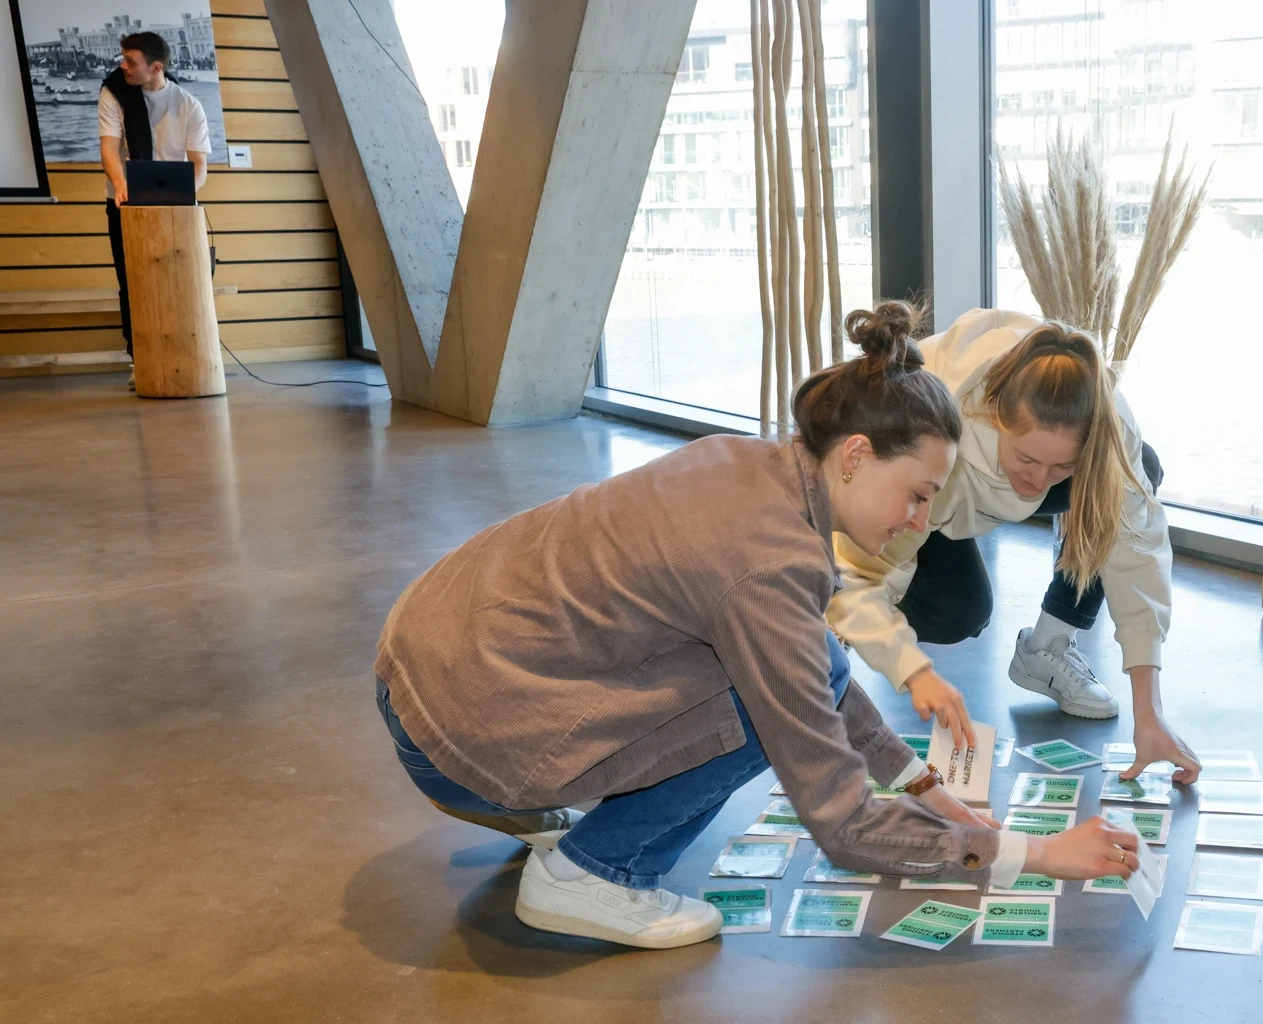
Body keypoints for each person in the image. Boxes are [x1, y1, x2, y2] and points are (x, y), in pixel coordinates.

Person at [373, 304, 1143, 949]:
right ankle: (589, 876)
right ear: (854, 456)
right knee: (757, 709)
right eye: (915, 495)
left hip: (423, 671)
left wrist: (925, 787)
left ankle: (558, 820)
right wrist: (1034, 853)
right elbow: (840, 825)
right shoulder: (770, 567)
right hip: (463, 736)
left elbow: (816, 663)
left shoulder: (745, 463)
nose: (919, 522)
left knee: (795, 658)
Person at [828, 307, 1202, 784]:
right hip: (934, 487)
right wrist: (908, 667)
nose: (1040, 482)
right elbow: (863, 571)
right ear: (996, 414)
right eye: (1027, 458)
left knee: (1137, 471)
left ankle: (1046, 648)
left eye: (1061, 467)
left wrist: (1149, 714)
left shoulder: (1106, 427)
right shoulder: (935, 419)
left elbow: (1137, 553)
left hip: (963, 485)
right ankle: (836, 638)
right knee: (959, 612)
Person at [98, 32, 212, 391]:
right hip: (124, 204)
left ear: (156, 67)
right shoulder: (113, 92)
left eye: (131, 61)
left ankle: (184, 358)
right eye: (123, 58)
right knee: (132, 284)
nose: (123, 66)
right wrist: (121, 186)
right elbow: (110, 150)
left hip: (175, 208)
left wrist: (183, 196)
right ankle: (140, 359)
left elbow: (199, 165)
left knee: (179, 283)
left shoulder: (189, 104)